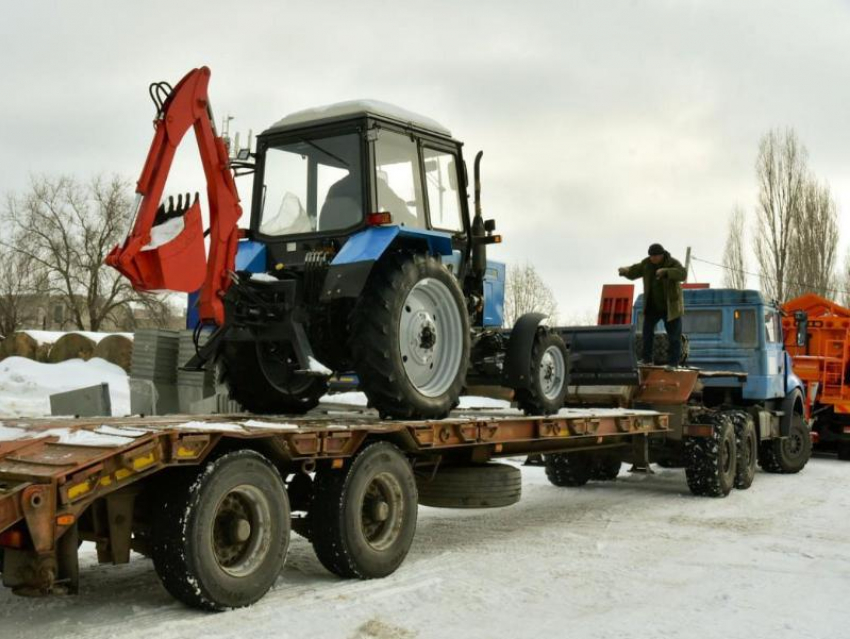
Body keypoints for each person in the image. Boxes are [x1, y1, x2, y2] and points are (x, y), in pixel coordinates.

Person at [618, 243, 687, 366]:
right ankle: (647, 359)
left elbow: (682, 274)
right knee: (647, 332)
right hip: (653, 306)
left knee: (674, 337)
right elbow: (634, 270)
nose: (653, 259)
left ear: (661, 255)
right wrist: (625, 271)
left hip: (670, 308)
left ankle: (673, 363)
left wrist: (666, 272)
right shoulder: (647, 264)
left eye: (655, 256)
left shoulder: (672, 263)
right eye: (651, 256)